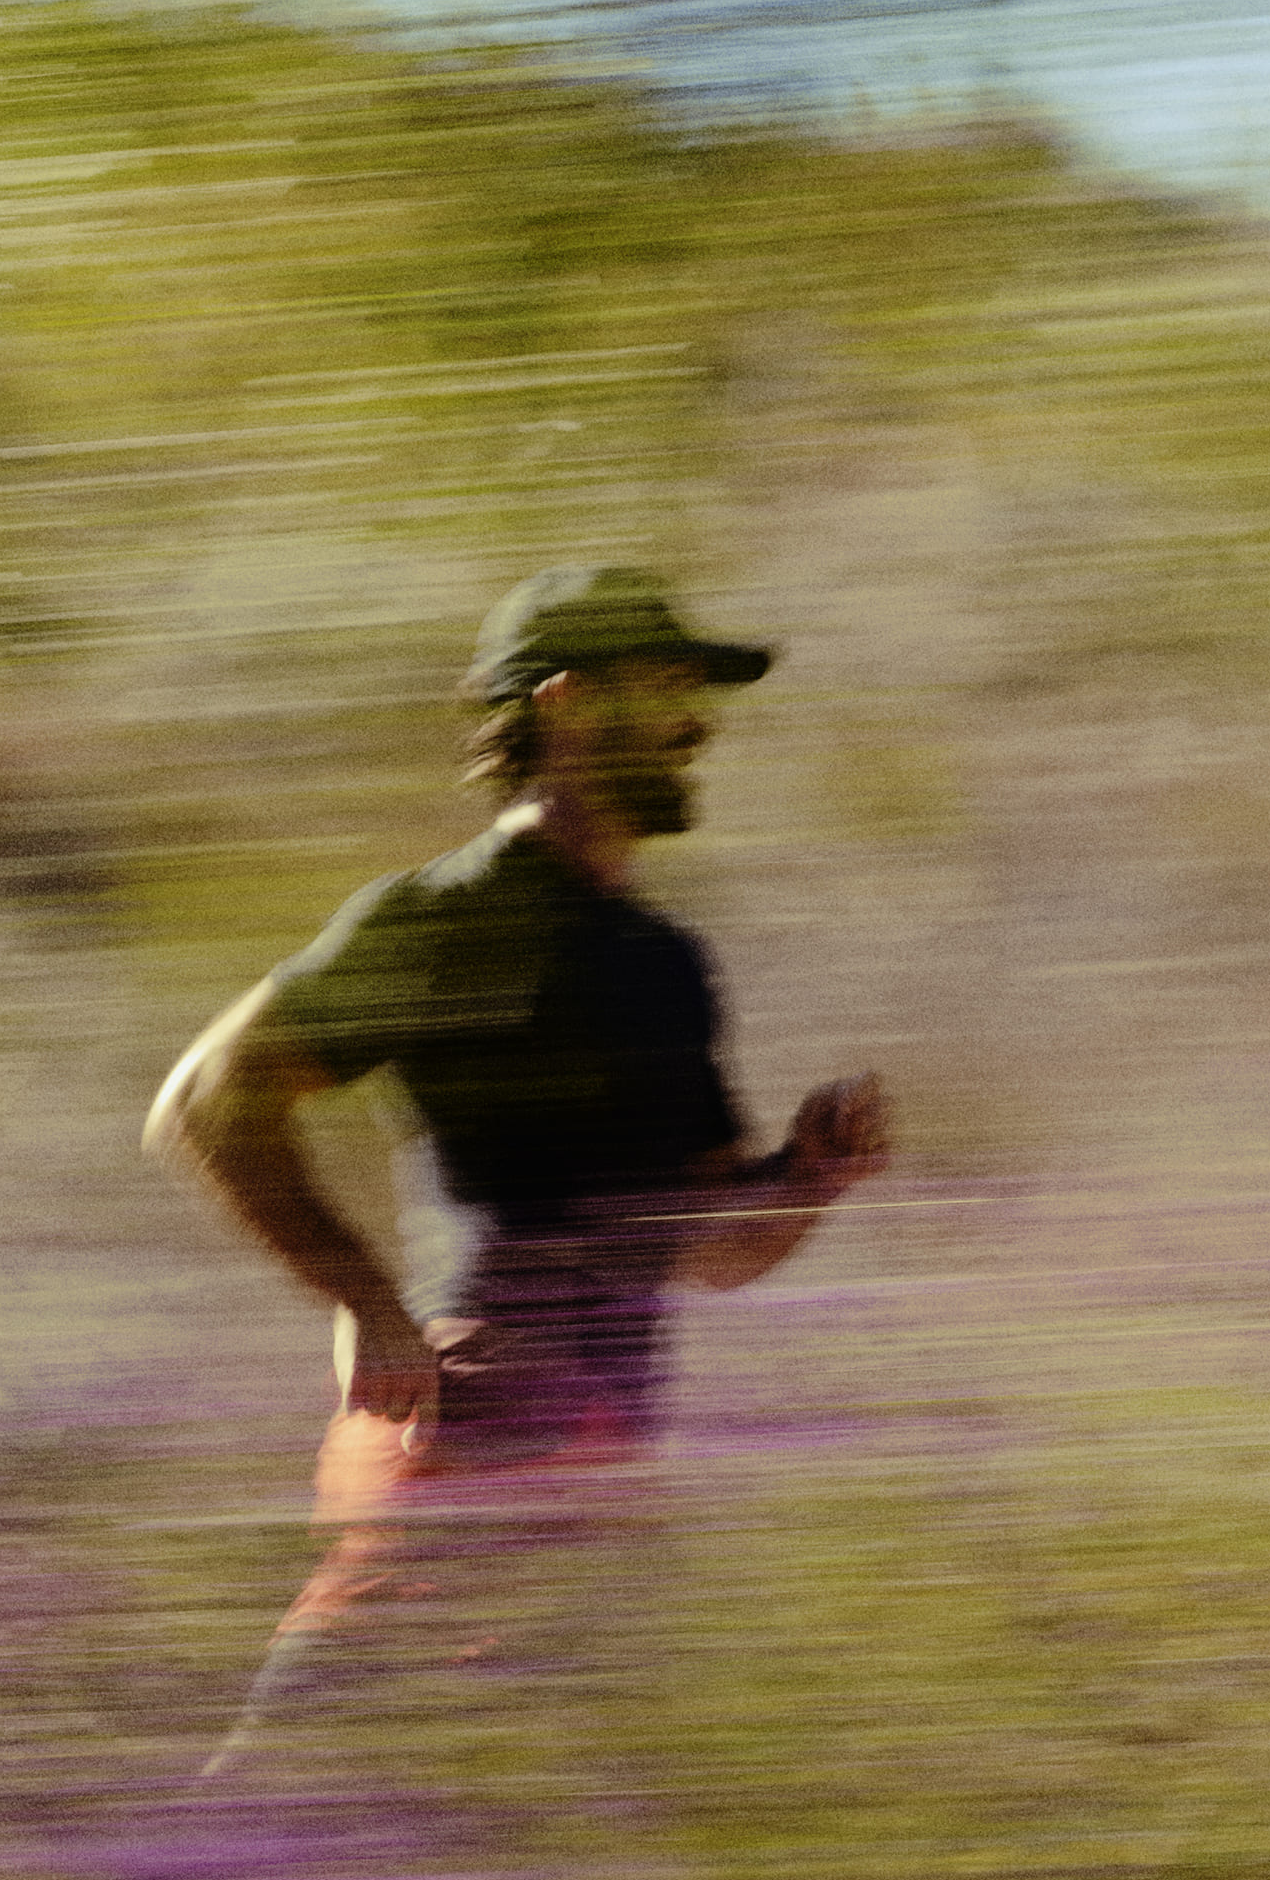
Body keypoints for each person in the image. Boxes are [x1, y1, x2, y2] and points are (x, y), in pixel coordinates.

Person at [145, 564, 891, 1776]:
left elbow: (704, 1248)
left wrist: (804, 1175)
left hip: (597, 1509)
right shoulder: (450, 918)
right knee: (291, 1820)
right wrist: (364, 1297)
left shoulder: (664, 962)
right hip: (460, 1472)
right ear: (565, 707)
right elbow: (207, 1098)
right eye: (665, 692)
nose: (699, 724)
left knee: (542, 1879)